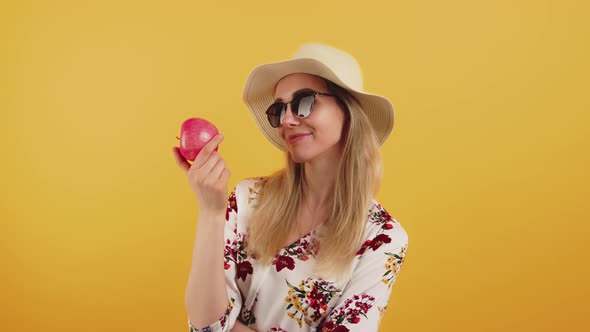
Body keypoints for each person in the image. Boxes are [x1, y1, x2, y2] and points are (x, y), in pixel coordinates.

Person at [174, 43, 409, 332]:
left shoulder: (381, 237)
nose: (286, 119)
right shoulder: (249, 198)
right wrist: (211, 211)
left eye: (304, 102)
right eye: (279, 109)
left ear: (348, 112)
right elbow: (206, 323)